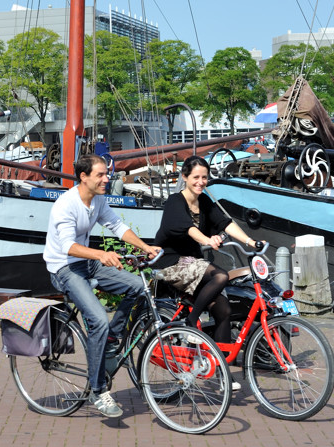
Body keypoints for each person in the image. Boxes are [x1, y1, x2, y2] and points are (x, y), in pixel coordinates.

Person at [44, 153, 160, 418]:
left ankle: (112, 338)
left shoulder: (98, 200)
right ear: (83, 177)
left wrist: (145, 247)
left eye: (107, 174)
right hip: (63, 267)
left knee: (140, 288)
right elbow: (67, 247)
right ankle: (97, 390)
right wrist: (100, 255)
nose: (107, 179)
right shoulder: (65, 205)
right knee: (97, 318)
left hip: (87, 262)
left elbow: (117, 226)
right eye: (100, 174)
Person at [152, 155, 260, 349]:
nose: (201, 182)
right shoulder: (175, 201)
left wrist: (251, 242)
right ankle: (192, 321)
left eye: (204, 177)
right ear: (184, 177)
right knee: (221, 275)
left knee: (224, 310)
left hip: (194, 263)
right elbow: (187, 227)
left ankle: (221, 367)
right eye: (196, 177)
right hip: (171, 262)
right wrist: (207, 240)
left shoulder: (204, 201)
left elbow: (225, 223)